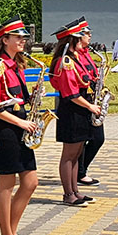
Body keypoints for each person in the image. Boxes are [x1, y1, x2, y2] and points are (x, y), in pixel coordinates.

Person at [0, 16, 38, 235]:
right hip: (6, 130)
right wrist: (21, 123)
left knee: (31, 182)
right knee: (7, 183)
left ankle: (12, 231)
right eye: (18, 37)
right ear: (4, 40)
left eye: (24, 37)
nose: (23, 40)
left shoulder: (17, 65)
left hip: (20, 128)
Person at [48, 18, 99, 207]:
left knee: (77, 153)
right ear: (71, 40)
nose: (84, 39)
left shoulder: (76, 58)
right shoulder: (66, 61)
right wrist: (90, 107)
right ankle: (68, 194)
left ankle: (76, 191)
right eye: (79, 37)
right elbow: (71, 94)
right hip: (72, 111)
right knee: (68, 155)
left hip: (81, 109)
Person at [75, 25, 104, 187]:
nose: (90, 35)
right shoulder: (74, 56)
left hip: (92, 100)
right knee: (83, 140)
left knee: (98, 138)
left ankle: (81, 171)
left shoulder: (87, 54)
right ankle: (80, 173)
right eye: (87, 33)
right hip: (82, 102)